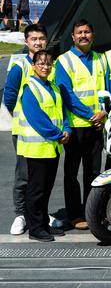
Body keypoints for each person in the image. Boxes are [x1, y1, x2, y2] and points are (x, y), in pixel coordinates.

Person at [55, 19, 108, 230]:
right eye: (79, 32)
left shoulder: (100, 59)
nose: (83, 35)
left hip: (96, 126)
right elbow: (67, 95)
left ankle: (91, 211)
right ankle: (74, 214)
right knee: (71, 173)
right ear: (73, 37)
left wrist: (104, 112)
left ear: (93, 35)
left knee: (94, 173)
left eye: (87, 31)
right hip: (76, 126)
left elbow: (106, 90)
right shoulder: (64, 61)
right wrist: (90, 115)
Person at [16, 50, 70, 242]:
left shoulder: (53, 86)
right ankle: (35, 228)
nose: (45, 67)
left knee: (46, 189)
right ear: (33, 66)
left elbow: (62, 113)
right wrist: (58, 134)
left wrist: (67, 130)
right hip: (37, 149)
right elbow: (37, 119)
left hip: (52, 147)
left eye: (48, 64)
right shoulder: (30, 87)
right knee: (36, 189)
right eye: (41, 63)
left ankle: (43, 223)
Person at [3, 24, 48, 235]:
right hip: (24, 132)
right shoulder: (19, 67)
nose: (38, 42)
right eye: (34, 39)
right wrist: (23, 119)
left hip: (46, 133)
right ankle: (21, 214)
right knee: (24, 174)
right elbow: (9, 99)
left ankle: (39, 213)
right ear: (26, 41)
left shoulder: (49, 65)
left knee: (43, 176)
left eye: (41, 38)